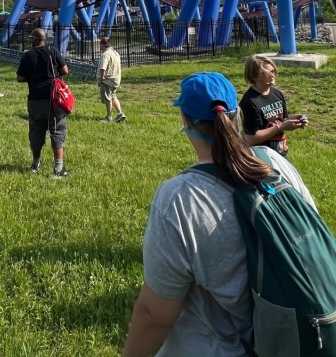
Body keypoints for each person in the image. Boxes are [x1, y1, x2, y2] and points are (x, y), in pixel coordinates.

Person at [122, 72, 320, 357]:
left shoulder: (179, 199)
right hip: (293, 337)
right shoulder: (274, 162)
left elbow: (155, 315)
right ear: (237, 114)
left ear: (185, 120)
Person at [16, 28, 71, 177]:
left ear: (35, 39)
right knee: (57, 131)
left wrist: (32, 77)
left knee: (35, 132)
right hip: (53, 100)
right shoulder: (52, 52)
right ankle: (59, 169)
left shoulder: (27, 56)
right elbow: (65, 70)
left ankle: (35, 164)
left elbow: (20, 78)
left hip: (34, 100)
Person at [239, 55, 308, 156]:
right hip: (261, 158)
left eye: (273, 71)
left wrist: (293, 122)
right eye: (267, 73)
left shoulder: (277, 94)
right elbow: (250, 138)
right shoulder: (250, 102)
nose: (273, 75)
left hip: (280, 153)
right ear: (254, 76)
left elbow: (280, 122)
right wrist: (280, 127)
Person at [97, 36, 125, 123]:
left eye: (100, 44)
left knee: (107, 98)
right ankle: (120, 113)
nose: (100, 47)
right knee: (113, 96)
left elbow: (103, 67)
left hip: (107, 80)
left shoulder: (105, 54)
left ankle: (108, 117)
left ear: (103, 44)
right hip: (115, 79)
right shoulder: (115, 53)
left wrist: (102, 78)